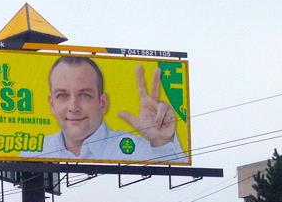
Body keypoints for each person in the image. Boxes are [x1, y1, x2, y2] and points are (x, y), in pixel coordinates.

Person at [20, 56, 186, 163]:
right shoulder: (33, 152)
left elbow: (178, 182)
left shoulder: (132, 149)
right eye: (62, 95)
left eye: (84, 95)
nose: (73, 107)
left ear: (102, 102)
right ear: (51, 104)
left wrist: (163, 142)